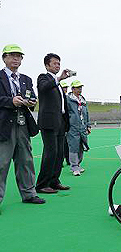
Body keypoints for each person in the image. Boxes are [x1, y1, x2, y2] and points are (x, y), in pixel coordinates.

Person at [0, 44, 45, 206]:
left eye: (19, 56)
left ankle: (29, 194)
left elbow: (31, 96)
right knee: (2, 162)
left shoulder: (26, 79)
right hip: (4, 125)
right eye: (12, 55)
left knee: (26, 160)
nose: (16, 59)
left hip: (23, 124)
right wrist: (10, 101)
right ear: (4, 58)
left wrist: (32, 101)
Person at [36, 53, 71, 193]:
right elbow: (44, 88)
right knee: (50, 153)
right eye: (55, 63)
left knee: (59, 153)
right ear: (47, 65)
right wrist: (59, 78)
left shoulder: (58, 84)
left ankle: (54, 181)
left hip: (60, 121)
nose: (58, 66)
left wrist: (66, 121)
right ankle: (42, 184)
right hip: (48, 122)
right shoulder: (43, 78)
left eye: (59, 63)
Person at [66, 80, 91, 176]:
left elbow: (86, 113)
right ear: (72, 89)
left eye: (80, 87)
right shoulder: (68, 99)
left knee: (82, 146)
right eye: (77, 87)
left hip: (82, 126)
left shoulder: (83, 99)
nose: (80, 89)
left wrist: (88, 125)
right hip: (73, 127)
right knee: (73, 146)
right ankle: (74, 167)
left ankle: (78, 164)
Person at [60, 80, 70, 166]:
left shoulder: (67, 98)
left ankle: (68, 159)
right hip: (60, 124)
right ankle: (61, 160)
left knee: (67, 143)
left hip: (66, 124)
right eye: (64, 88)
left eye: (66, 88)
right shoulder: (59, 98)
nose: (65, 89)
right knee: (62, 143)